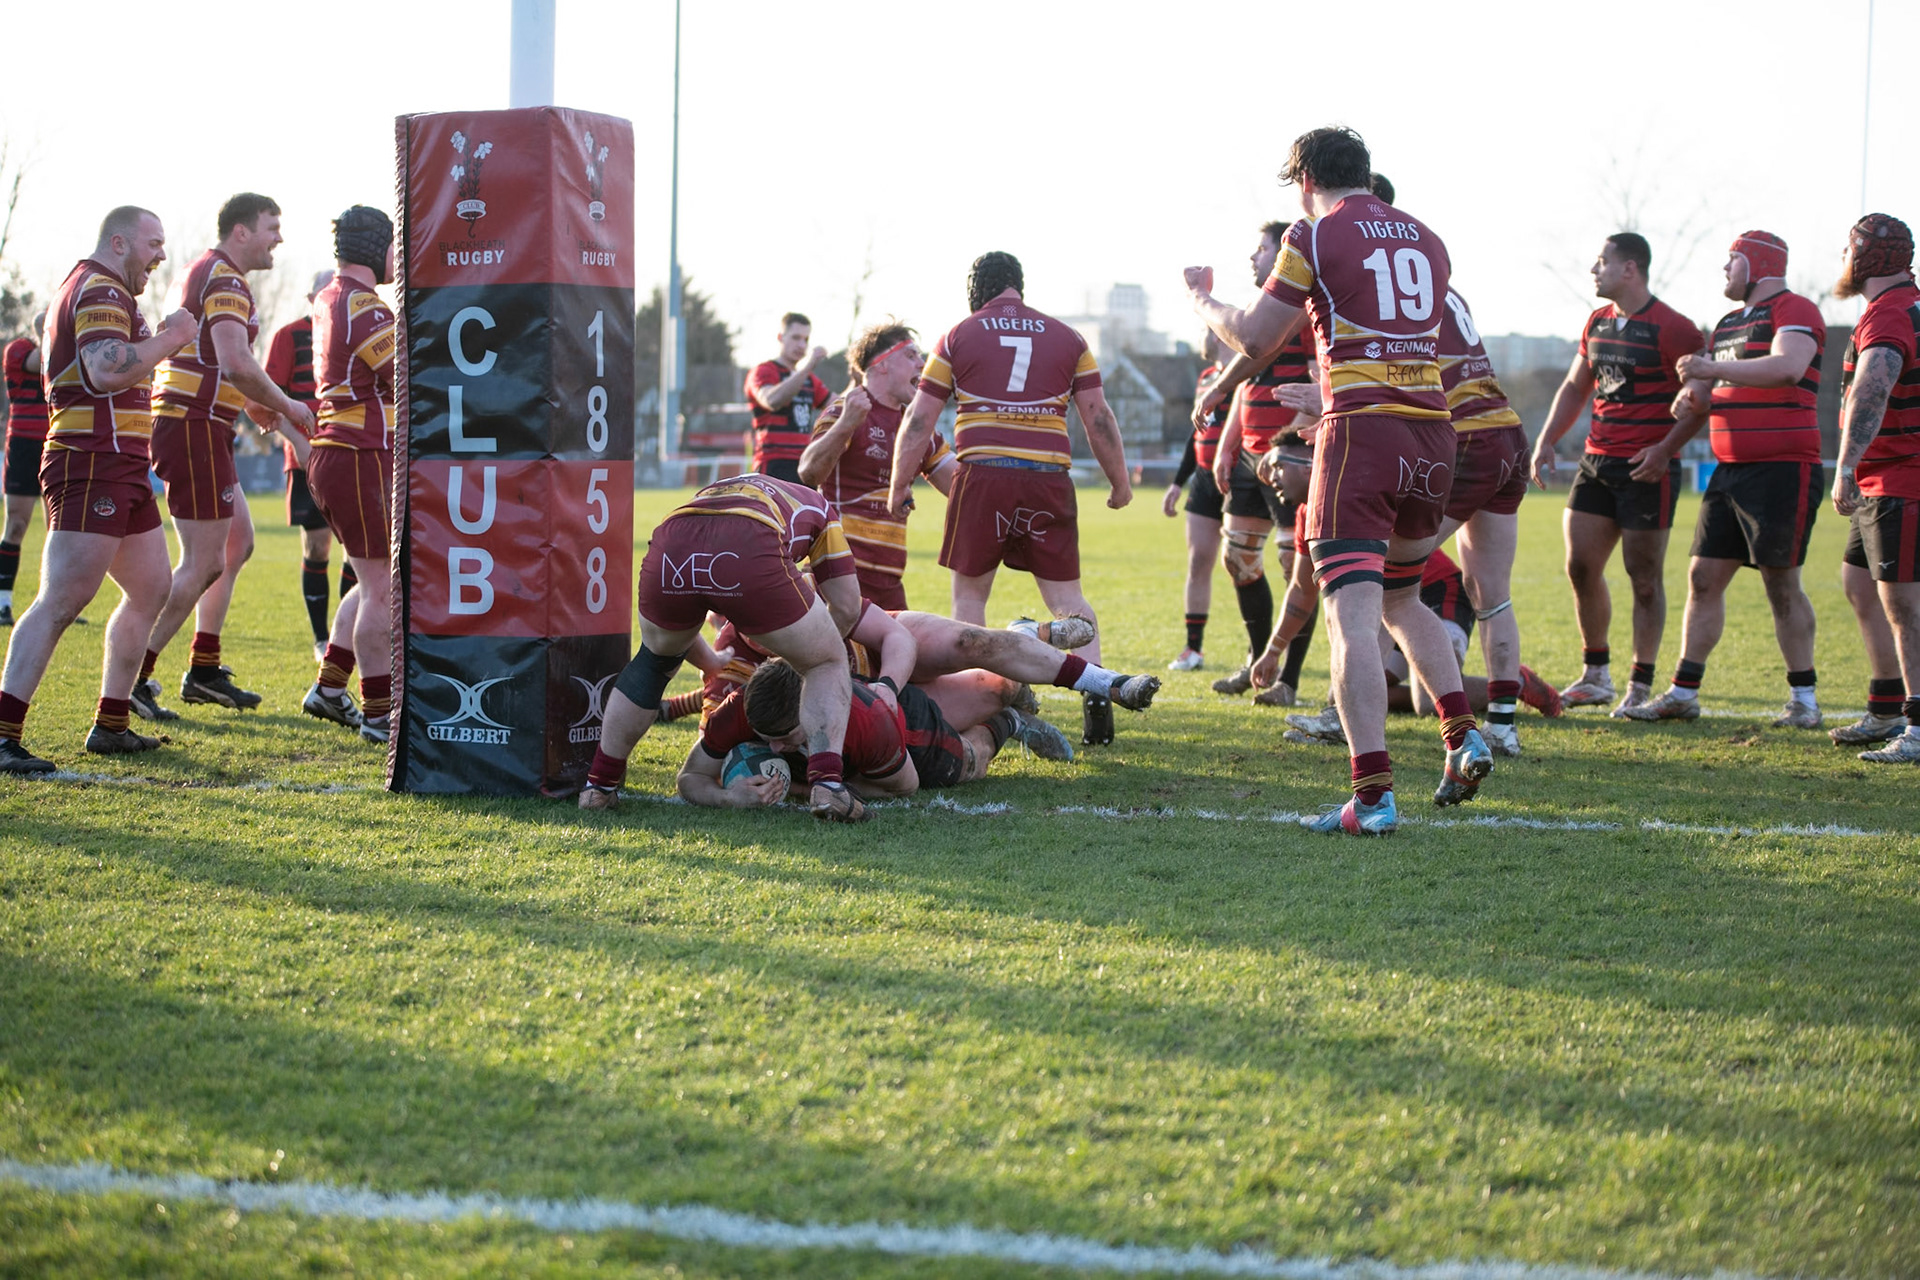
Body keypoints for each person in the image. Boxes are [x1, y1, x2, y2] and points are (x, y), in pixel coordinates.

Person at [1186, 125, 1490, 835]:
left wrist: (1202, 300)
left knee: (1349, 616)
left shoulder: (1314, 233)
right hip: (1431, 434)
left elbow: (1256, 335)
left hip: (1361, 435)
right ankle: (1462, 735)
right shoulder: (1427, 238)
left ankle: (1373, 796)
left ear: (1305, 182)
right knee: (1402, 598)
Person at [886, 251, 1145, 745]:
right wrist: (1120, 482)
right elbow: (1098, 417)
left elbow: (919, 419)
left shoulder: (957, 335)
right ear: (1018, 287)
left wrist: (899, 484)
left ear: (975, 290)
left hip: (983, 476)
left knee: (970, 597)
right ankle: (1096, 695)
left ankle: (975, 697)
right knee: (1067, 600)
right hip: (1048, 476)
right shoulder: (1069, 338)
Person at [0, 207, 196, 771]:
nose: (161, 255)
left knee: (151, 587)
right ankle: (4, 733)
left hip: (120, 464)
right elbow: (105, 370)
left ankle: (111, 723)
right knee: (62, 598)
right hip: (91, 460)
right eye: (153, 243)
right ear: (119, 243)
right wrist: (173, 337)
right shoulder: (101, 288)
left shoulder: (104, 289)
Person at [1617, 232, 1827, 727]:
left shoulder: (1794, 308)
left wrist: (1708, 368)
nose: (1725, 269)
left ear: (1755, 263)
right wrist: (1693, 394)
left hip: (1782, 469)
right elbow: (1716, 387)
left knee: (1781, 583)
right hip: (1729, 471)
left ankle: (1804, 700)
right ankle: (1683, 693)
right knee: (1702, 578)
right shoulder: (1730, 323)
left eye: (1732, 260)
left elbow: (1789, 367)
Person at [580, 472, 868, 820]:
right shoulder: (821, 509)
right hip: (748, 540)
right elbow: (847, 608)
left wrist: (712, 661)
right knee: (825, 662)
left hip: (673, 539)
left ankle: (598, 787)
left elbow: (680, 634)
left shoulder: (731, 488)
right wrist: (803, 661)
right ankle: (828, 785)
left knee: (653, 662)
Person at [136, 193, 315, 720]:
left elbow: (219, 363)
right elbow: (236, 363)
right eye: (271, 227)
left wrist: (256, 405)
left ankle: (203, 670)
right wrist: (286, 404)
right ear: (242, 231)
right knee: (205, 560)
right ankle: (135, 674)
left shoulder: (207, 270)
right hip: (191, 425)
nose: (279, 238)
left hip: (201, 425)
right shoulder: (226, 278)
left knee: (236, 544)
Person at [1529, 233, 1705, 716]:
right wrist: (1546, 440)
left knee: (1644, 580)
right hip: (1596, 463)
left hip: (1646, 469)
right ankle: (1596, 675)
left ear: (1630, 269)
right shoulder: (1597, 322)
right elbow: (1574, 387)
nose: (1594, 269)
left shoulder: (1676, 329)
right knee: (1580, 567)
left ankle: (1639, 684)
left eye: (1602, 261)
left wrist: (1665, 451)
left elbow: (1700, 404)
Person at [1197, 223, 1318, 703]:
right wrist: (1228, 446)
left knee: (1296, 569)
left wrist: (1284, 446)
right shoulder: (1258, 315)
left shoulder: (1305, 313)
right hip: (1249, 455)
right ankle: (1256, 661)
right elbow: (1246, 386)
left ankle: (1288, 678)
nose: (1254, 256)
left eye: (1263, 249)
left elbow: (1320, 387)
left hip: (1289, 459)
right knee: (1239, 559)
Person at [677, 652, 1053, 806]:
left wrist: (801, 789)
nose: (774, 749)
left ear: (812, 710)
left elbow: (905, 786)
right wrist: (727, 798)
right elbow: (690, 777)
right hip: (865, 709)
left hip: (907, 730)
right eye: (765, 738)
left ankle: (1009, 718)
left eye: (784, 737)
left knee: (972, 761)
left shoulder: (867, 726)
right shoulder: (742, 709)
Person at [299, 208, 398, 744]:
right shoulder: (365, 305)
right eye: (395, 246)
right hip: (359, 453)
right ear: (377, 248)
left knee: (368, 578)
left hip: (337, 451)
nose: (399, 258)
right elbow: (406, 378)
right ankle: (381, 715)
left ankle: (331, 687)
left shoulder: (330, 296)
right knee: (384, 588)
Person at [1830, 213, 1920, 764]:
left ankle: (1917, 726)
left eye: (1847, 249)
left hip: (1898, 478)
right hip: (1881, 478)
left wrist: (1844, 465)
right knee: (1860, 585)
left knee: (1903, 605)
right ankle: (1886, 708)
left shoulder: (1889, 313)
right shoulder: (1901, 306)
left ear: (1864, 257)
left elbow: (1872, 389)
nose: (1841, 259)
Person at [797, 319, 957, 609]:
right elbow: (808, 472)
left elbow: (960, 485)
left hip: (889, 581)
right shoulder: (847, 410)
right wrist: (846, 424)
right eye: (911, 355)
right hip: (838, 575)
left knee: (908, 639)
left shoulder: (917, 427)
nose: (922, 363)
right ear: (882, 364)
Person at [265, 269, 356, 661]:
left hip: (352, 455)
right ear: (310, 298)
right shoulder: (289, 336)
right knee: (318, 546)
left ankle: (345, 636)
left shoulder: (353, 332)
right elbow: (267, 398)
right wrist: (296, 441)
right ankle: (321, 639)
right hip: (306, 459)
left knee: (357, 549)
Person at [1161, 332, 1229, 671]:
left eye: (1210, 329)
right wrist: (1178, 482)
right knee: (1198, 561)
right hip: (1203, 479)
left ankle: (1260, 651)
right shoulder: (1205, 377)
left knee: (1242, 564)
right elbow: (1197, 432)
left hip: (1238, 476)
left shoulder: (1248, 372)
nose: (1205, 334)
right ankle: (1193, 649)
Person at [745, 312, 829, 483]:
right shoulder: (764, 371)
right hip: (774, 464)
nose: (801, 345)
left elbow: (838, 405)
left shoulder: (809, 379)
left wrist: (857, 380)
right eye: (796, 338)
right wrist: (807, 367)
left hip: (805, 464)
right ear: (780, 337)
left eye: (805, 339)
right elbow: (771, 400)